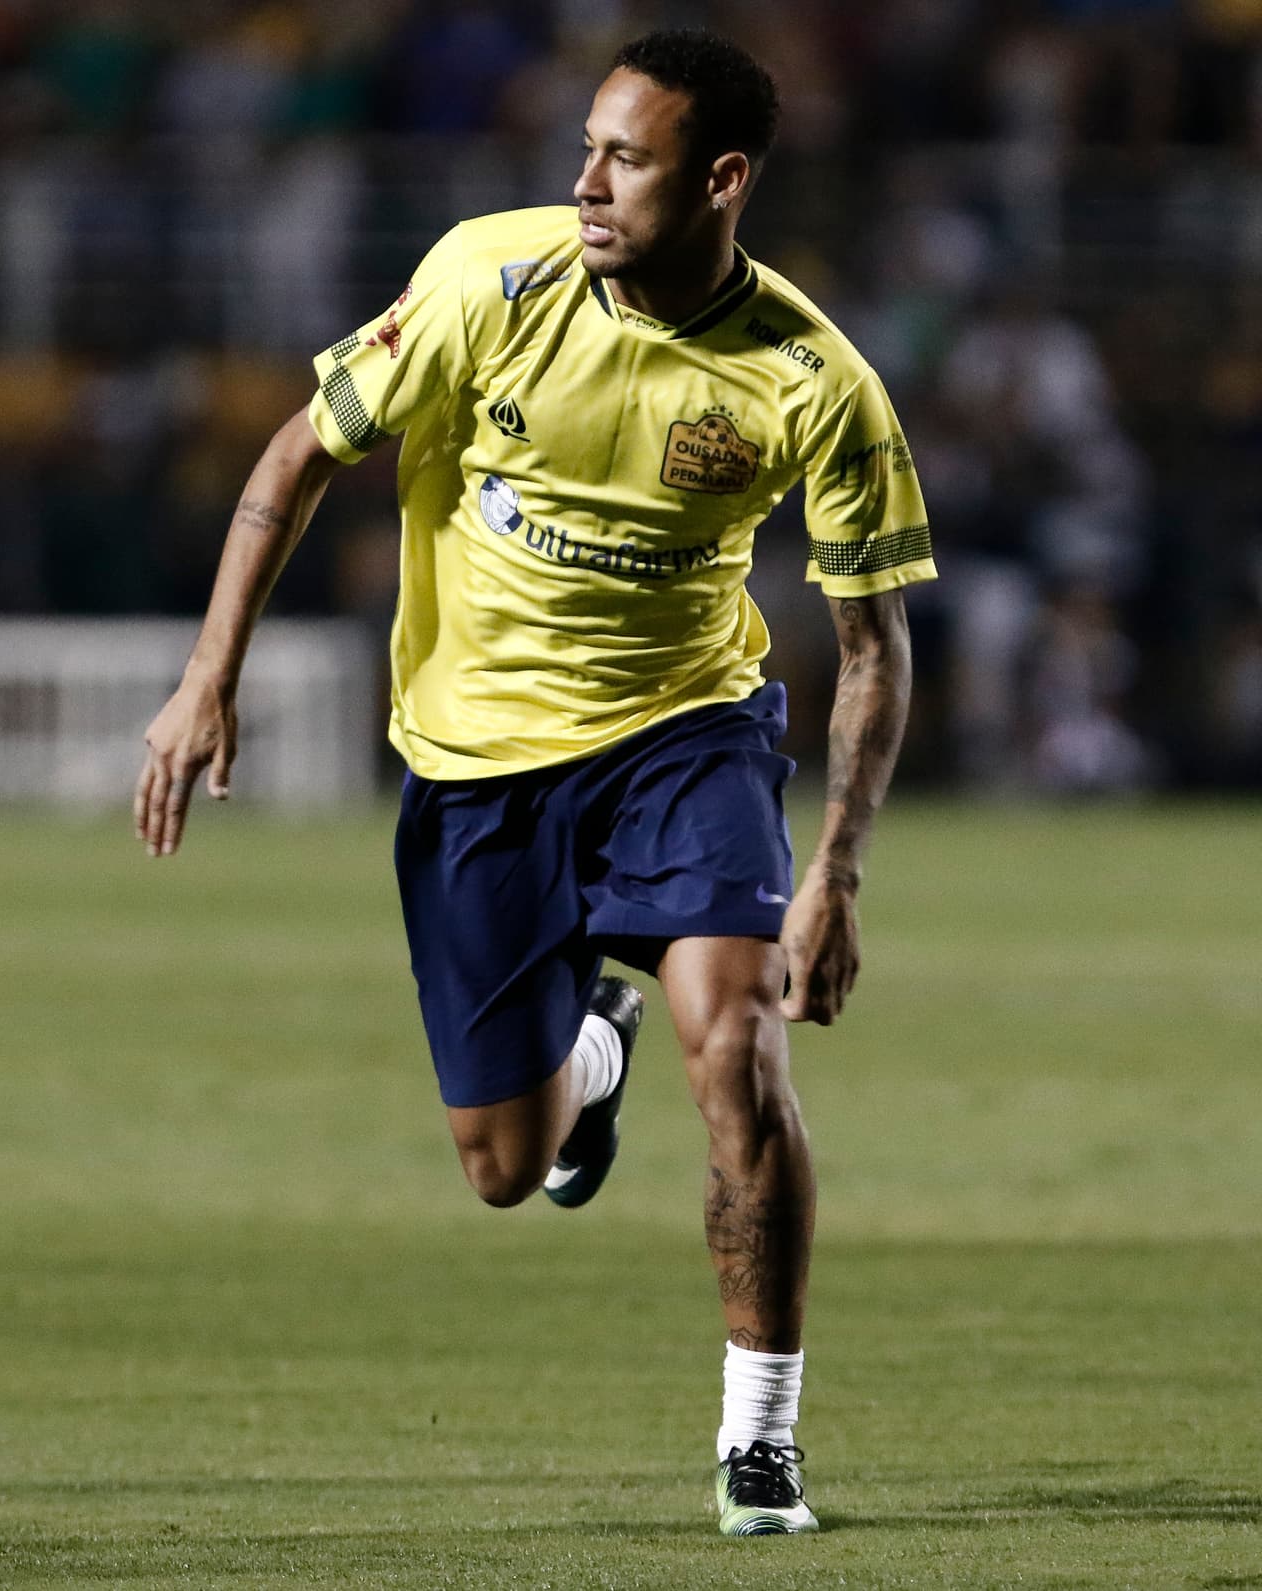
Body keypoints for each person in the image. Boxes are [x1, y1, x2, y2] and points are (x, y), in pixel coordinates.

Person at [134, 29, 936, 1537]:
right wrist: (205, 675)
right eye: (586, 147)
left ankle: (759, 1436)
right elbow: (304, 450)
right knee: (506, 1168)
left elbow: (876, 647)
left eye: (624, 160)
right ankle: (592, 1054)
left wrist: (835, 873)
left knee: (743, 1047)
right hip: (477, 764)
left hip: (686, 736)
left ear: (724, 180)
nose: (585, 183)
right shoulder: (485, 285)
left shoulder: (813, 382)